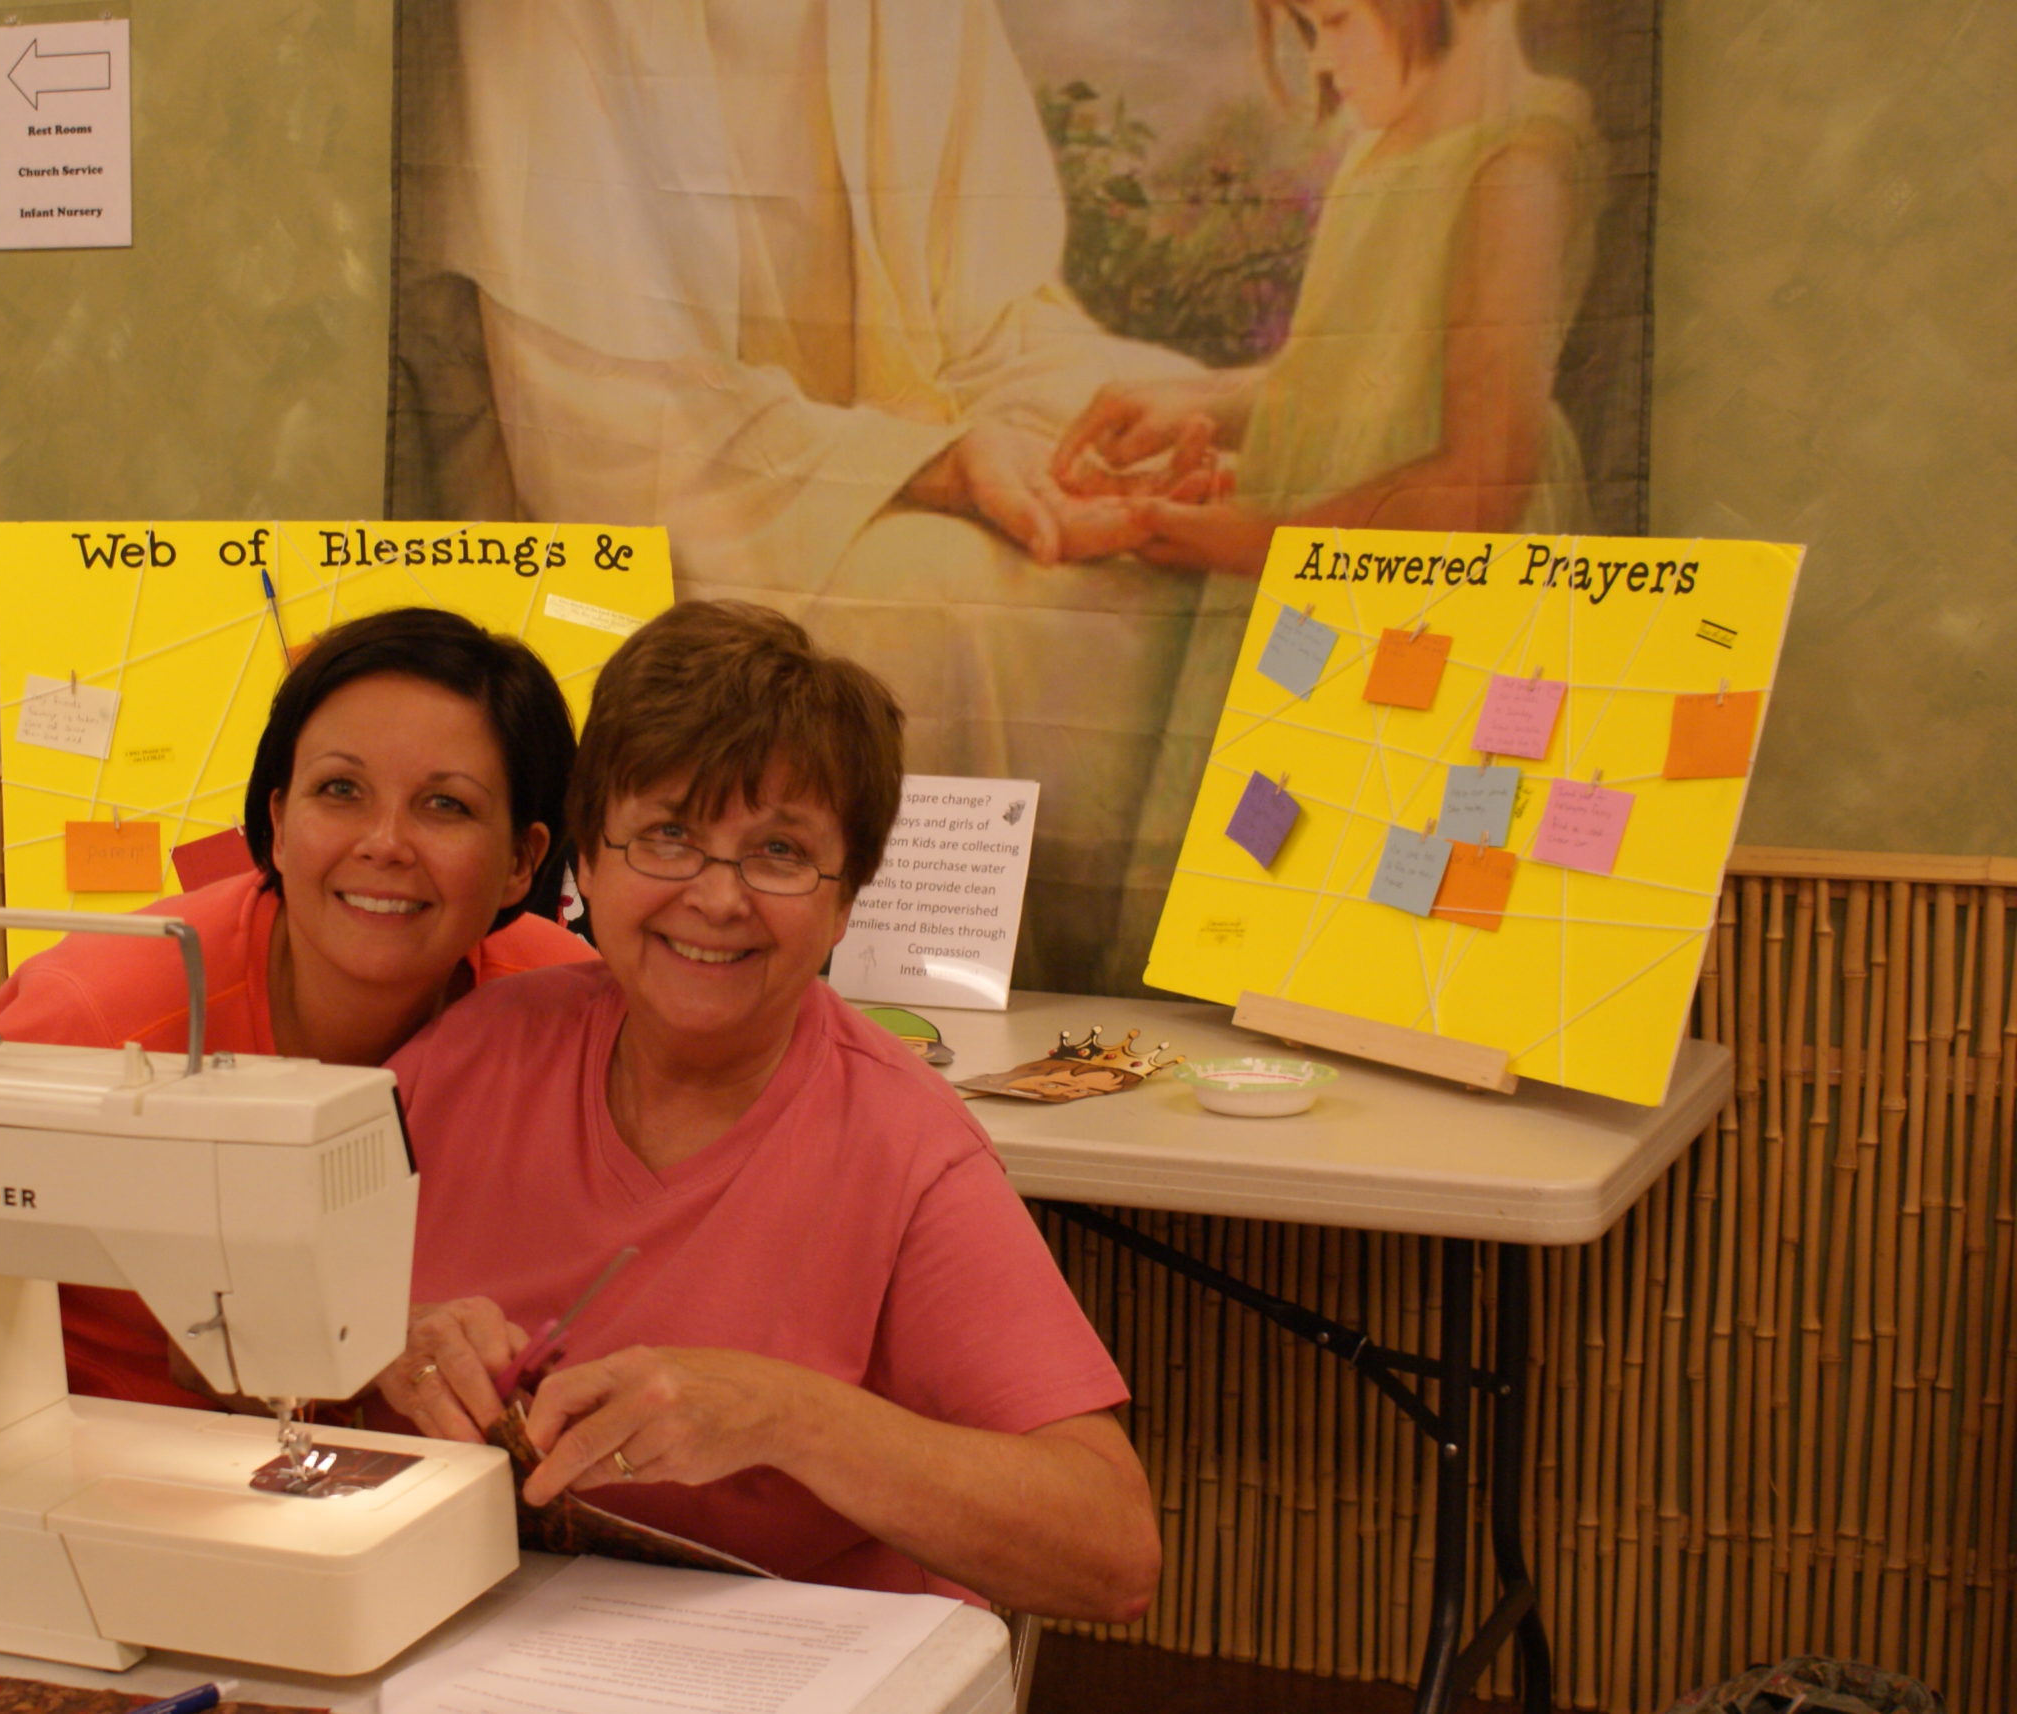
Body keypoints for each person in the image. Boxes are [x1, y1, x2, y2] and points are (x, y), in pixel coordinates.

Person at [393, 0, 1250, 992]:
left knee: (1143, 563)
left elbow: (993, 326)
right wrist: (936, 461)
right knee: (960, 603)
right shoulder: (541, 24)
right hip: (673, 522)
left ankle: (1136, 1012)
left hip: (860, 469)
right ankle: (909, 1010)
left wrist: (1085, 447)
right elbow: (606, 428)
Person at [371, 602, 1161, 1621]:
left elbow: (1111, 1552)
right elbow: (216, 1340)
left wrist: (787, 1417)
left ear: (843, 902)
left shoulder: (902, 1145)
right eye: (667, 835)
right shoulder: (472, 1054)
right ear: (587, 860)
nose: (717, 896)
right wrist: (378, 1340)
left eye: (779, 852)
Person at [0, 607, 594, 1410]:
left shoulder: (568, 1012)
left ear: (522, 861)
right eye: (340, 791)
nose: (386, 843)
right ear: (277, 823)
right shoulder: (103, 1015)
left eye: (446, 807)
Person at [1052, 0, 1604, 569]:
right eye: (1309, 27)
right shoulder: (1380, 149)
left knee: (1363, 662)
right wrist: (1198, 405)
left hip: (1425, 589)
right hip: (1324, 562)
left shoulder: (1514, 172)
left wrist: (1262, 545)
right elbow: (1365, 383)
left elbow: (1481, 481)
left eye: (1335, 20)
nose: (1317, 58)